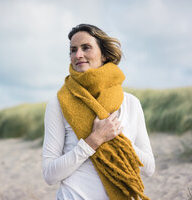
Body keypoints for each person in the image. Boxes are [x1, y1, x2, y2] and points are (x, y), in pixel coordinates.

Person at [42, 24, 155, 200]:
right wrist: (93, 141)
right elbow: (49, 175)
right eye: (73, 50)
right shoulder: (59, 103)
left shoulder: (131, 103)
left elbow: (149, 168)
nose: (78, 55)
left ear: (104, 55)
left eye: (86, 47)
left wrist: (118, 138)